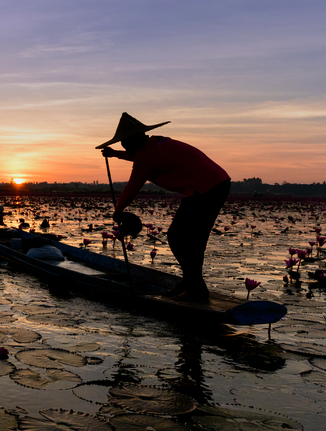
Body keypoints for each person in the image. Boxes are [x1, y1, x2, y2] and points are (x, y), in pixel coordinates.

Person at [98, 113, 230, 301]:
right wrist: (115, 155)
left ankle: (196, 289)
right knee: (195, 240)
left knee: (176, 237)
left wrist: (118, 211)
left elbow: (132, 187)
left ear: (134, 139)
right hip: (218, 182)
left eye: (124, 143)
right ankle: (191, 283)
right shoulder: (155, 145)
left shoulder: (146, 155)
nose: (123, 146)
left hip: (204, 187)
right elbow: (141, 157)